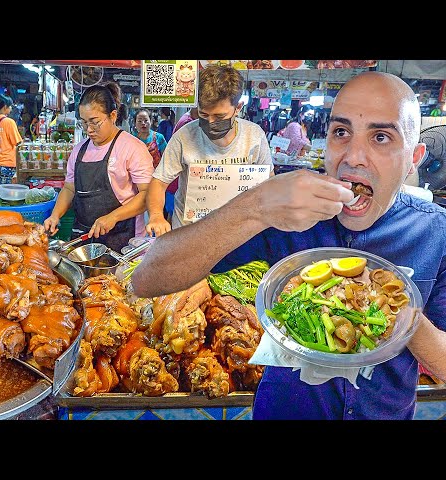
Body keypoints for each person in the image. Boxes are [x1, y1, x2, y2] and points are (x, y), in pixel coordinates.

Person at [131, 71, 446, 420]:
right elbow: (148, 279)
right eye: (341, 133)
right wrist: (256, 206)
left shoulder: (435, 233)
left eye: (382, 137)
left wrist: (395, 313)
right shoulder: (289, 217)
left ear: (414, 158)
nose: (354, 157)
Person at [145, 64, 272, 236]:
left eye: (219, 116)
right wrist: (156, 216)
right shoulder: (184, 137)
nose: (211, 122)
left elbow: (269, 183)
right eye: (204, 115)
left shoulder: (254, 136)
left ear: (238, 108)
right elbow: (159, 182)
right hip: (189, 233)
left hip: (238, 235)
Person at [43, 81, 154, 253]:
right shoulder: (79, 150)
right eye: (84, 122)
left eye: (95, 122)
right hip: (84, 239)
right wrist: (55, 215)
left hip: (123, 241)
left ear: (113, 115)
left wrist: (113, 217)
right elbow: (69, 188)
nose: (89, 129)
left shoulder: (132, 148)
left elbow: (148, 194)